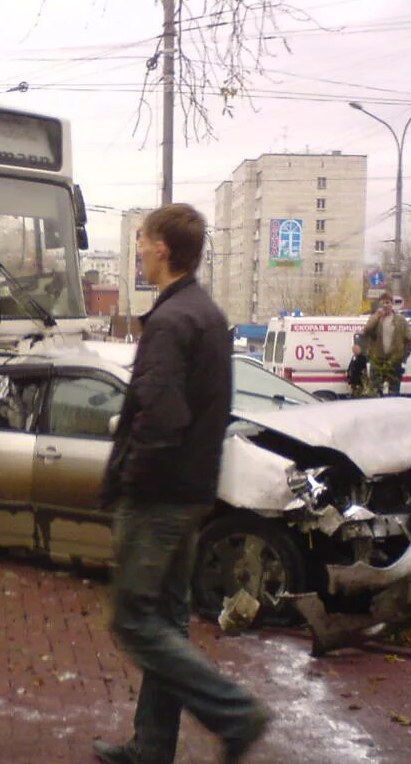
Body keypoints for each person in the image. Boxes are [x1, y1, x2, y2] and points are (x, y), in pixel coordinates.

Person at [93, 204, 268, 764]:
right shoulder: (204, 313)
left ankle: (235, 713)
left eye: (142, 241)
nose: (138, 249)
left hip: (160, 498)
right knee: (166, 622)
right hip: (190, 492)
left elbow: (161, 418)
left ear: (163, 248)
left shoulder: (171, 321)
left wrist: (131, 480)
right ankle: (150, 749)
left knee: (134, 621)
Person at [361, 292, 411, 396]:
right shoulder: (376, 319)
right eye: (383, 303)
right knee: (375, 392)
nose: (385, 305)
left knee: (394, 393)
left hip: (394, 361)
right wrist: (377, 316)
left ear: (392, 304)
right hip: (377, 361)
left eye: (387, 302)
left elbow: (409, 341)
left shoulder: (401, 320)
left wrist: (402, 358)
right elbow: (366, 331)